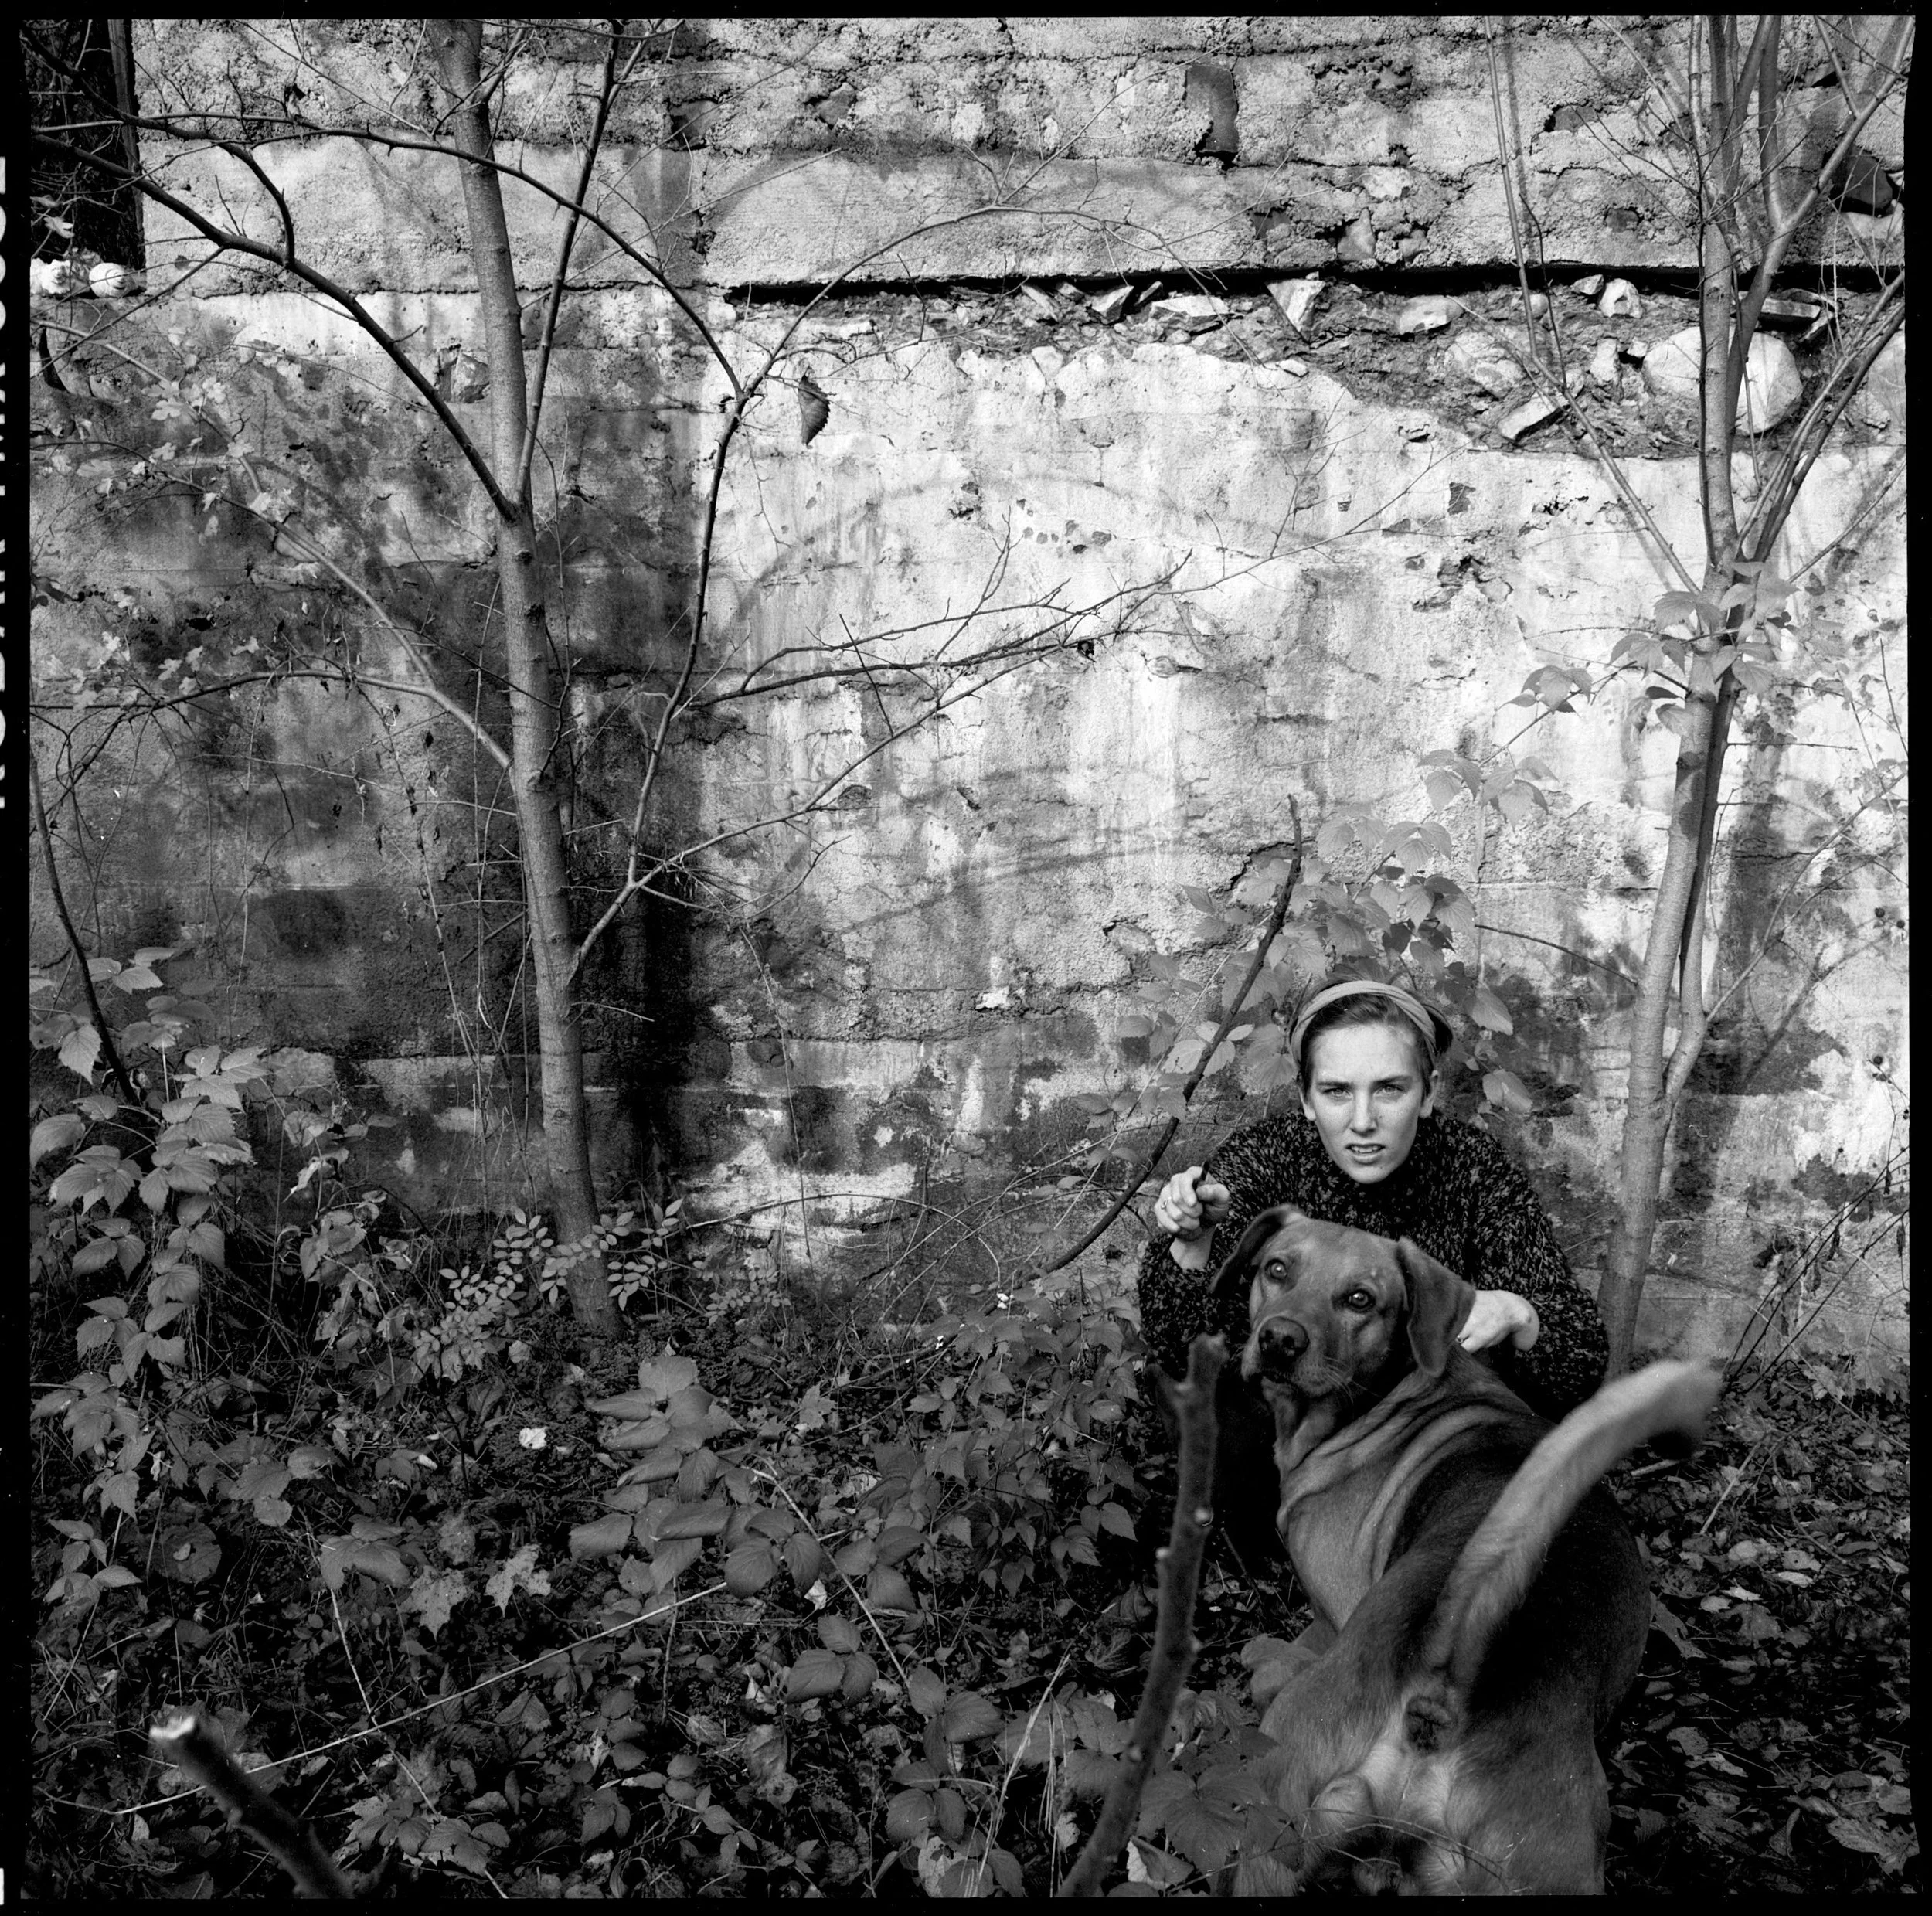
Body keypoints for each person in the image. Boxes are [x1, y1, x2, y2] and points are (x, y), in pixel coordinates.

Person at [1135, 975, 1609, 1560]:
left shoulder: (1474, 1171)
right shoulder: (1265, 1160)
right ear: (1307, 1098)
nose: (1363, 1120)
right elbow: (1177, 1346)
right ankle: (1258, 1538)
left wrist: (1518, 1313)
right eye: (1337, 1091)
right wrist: (1193, 1243)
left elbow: (1580, 1361)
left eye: (1389, 1089)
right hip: (1278, 1426)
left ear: (1427, 1093)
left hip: (1411, 1448)